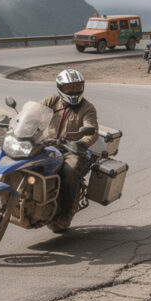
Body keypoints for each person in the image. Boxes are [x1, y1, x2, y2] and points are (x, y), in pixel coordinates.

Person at [41, 69, 99, 230]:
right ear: (60, 88)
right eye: (69, 88)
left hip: (72, 150)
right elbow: (33, 115)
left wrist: (82, 143)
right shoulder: (51, 101)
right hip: (47, 145)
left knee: (70, 170)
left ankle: (64, 213)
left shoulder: (87, 108)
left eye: (77, 87)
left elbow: (92, 129)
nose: (74, 91)